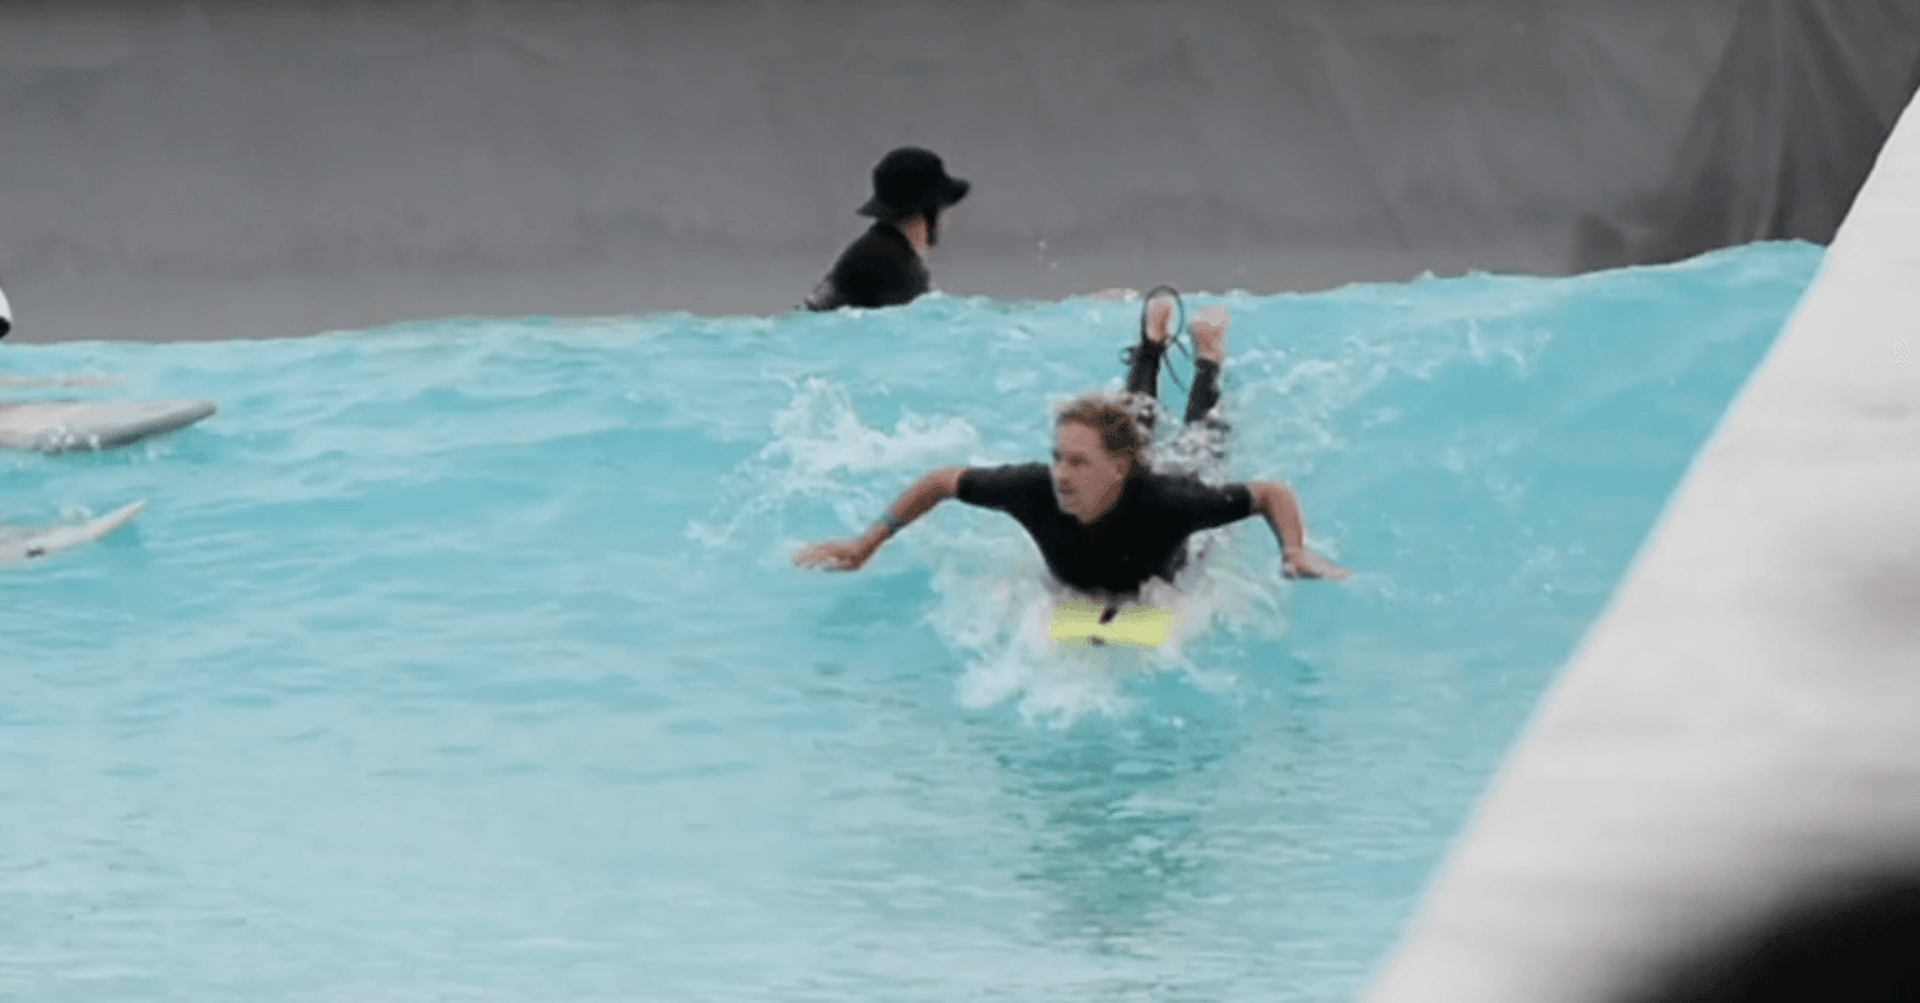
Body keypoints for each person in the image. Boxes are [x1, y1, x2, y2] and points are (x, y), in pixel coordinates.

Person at [794, 291, 1349, 600]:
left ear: (1122, 472)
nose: (1060, 472)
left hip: (1169, 533)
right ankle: (1150, 346)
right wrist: (865, 545)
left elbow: (1270, 494)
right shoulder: (1033, 489)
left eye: (1078, 463)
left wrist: (1294, 552)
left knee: (1202, 444)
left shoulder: (1169, 502)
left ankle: (1209, 356)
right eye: (1059, 457)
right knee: (1130, 422)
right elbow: (942, 481)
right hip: (1119, 493)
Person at [803, 146, 970, 312]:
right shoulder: (892, 265)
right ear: (928, 211)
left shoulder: (872, 250)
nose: (947, 219)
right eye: (944, 208)